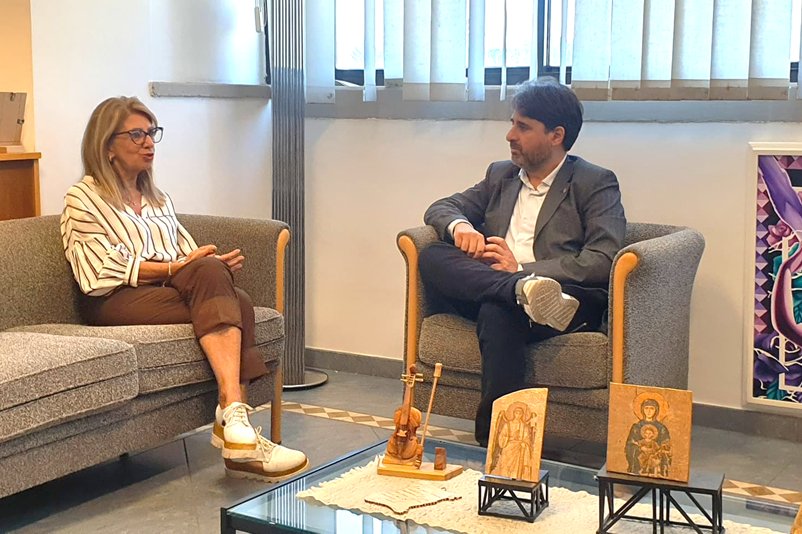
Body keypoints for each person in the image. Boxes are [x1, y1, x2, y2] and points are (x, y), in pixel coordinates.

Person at [60, 96, 308, 482]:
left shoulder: (158, 200)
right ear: (107, 146)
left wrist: (211, 265)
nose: (149, 143)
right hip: (113, 300)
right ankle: (234, 421)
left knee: (230, 290)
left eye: (152, 133)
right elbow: (97, 271)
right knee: (234, 298)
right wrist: (178, 268)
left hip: (161, 292)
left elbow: (184, 256)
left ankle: (236, 427)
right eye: (137, 135)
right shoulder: (84, 198)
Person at [420, 78, 626, 446]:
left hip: (562, 300)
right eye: (512, 123)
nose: (510, 135)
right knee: (433, 254)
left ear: (556, 135)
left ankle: (498, 444)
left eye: (523, 127)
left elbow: (602, 259)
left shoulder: (594, 182)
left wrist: (522, 271)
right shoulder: (500, 175)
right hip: (497, 284)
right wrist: (461, 226)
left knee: (498, 310)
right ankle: (516, 290)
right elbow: (442, 207)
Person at [625, 399, 671, 476]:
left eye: (652, 408)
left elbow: (666, 443)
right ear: (642, 410)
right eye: (646, 408)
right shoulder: (637, 426)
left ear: (656, 410)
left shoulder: (661, 428)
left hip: (655, 454)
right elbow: (630, 443)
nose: (648, 411)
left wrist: (656, 450)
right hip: (640, 453)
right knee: (634, 451)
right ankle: (636, 470)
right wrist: (641, 448)